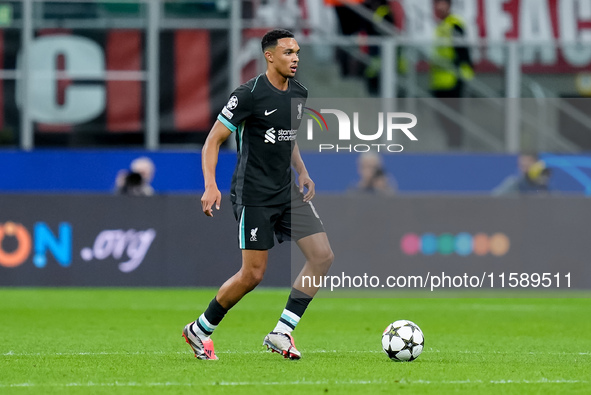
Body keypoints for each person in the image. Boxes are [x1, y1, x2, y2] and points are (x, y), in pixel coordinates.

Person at [182, 29, 334, 360]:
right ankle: (200, 329)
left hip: (287, 191)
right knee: (252, 275)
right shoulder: (248, 94)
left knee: (322, 256)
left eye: (297, 52)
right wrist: (211, 184)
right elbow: (213, 140)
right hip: (254, 194)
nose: (295, 58)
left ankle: (282, 332)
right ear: (269, 56)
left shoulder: (299, 92)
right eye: (288, 53)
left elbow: (287, 136)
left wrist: (302, 170)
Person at [430, 0, 474, 148]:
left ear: (449, 5)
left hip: (452, 80)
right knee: (441, 116)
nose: (439, 7)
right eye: (437, 4)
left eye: (442, 3)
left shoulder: (454, 24)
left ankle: (456, 146)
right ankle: (453, 144)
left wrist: (465, 74)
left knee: (453, 117)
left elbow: (463, 52)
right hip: (438, 80)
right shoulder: (440, 25)